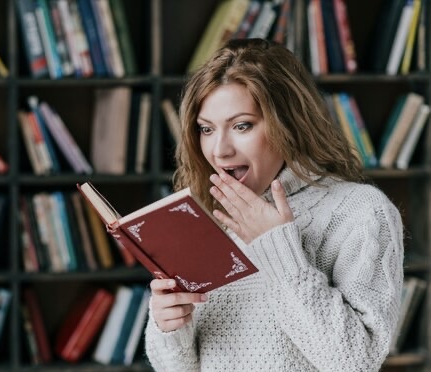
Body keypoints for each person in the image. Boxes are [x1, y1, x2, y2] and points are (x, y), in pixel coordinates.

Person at [145, 38, 404, 372]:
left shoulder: (360, 212)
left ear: (288, 123)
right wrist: (170, 326)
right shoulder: (205, 215)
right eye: (206, 129)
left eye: (242, 126)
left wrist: (279, 249)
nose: (219, 150)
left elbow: (353, 362)